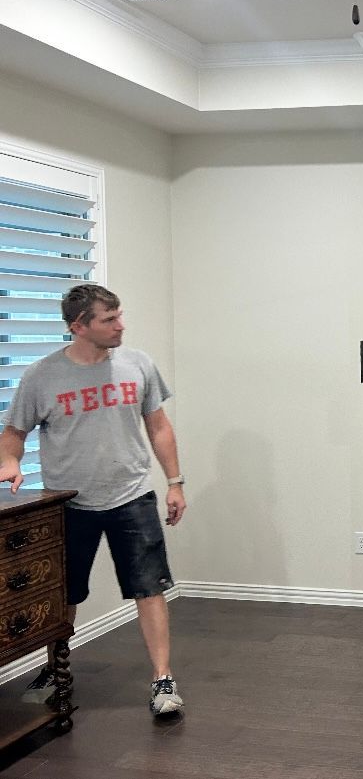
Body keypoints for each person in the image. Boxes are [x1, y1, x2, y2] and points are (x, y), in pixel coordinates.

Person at [0, 284, 187, 716]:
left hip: (133, 497)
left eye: (120, 315)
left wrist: (175, 482)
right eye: (109, 319)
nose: (120, 325)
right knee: (64, 592)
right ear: (78, 326)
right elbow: (13, 433)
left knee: (150, 588)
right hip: (68, 503)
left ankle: (162, 679)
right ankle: (55, 670)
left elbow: (159, 426)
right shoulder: (42, 376)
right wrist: (10, 462)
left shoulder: (138, 364)